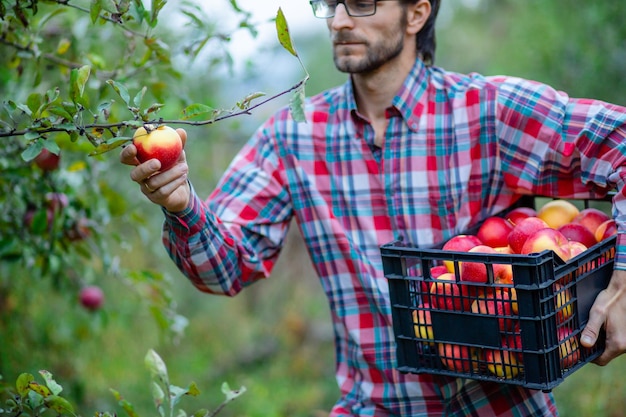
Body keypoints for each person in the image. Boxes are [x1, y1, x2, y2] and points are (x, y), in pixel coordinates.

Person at [121, 0, 626, 415]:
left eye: (362, 4)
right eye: (330, 4)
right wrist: (182, 204)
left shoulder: (486, 111)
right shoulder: (294, 138)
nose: (339, 20)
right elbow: (224, 269)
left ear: (416, 14)